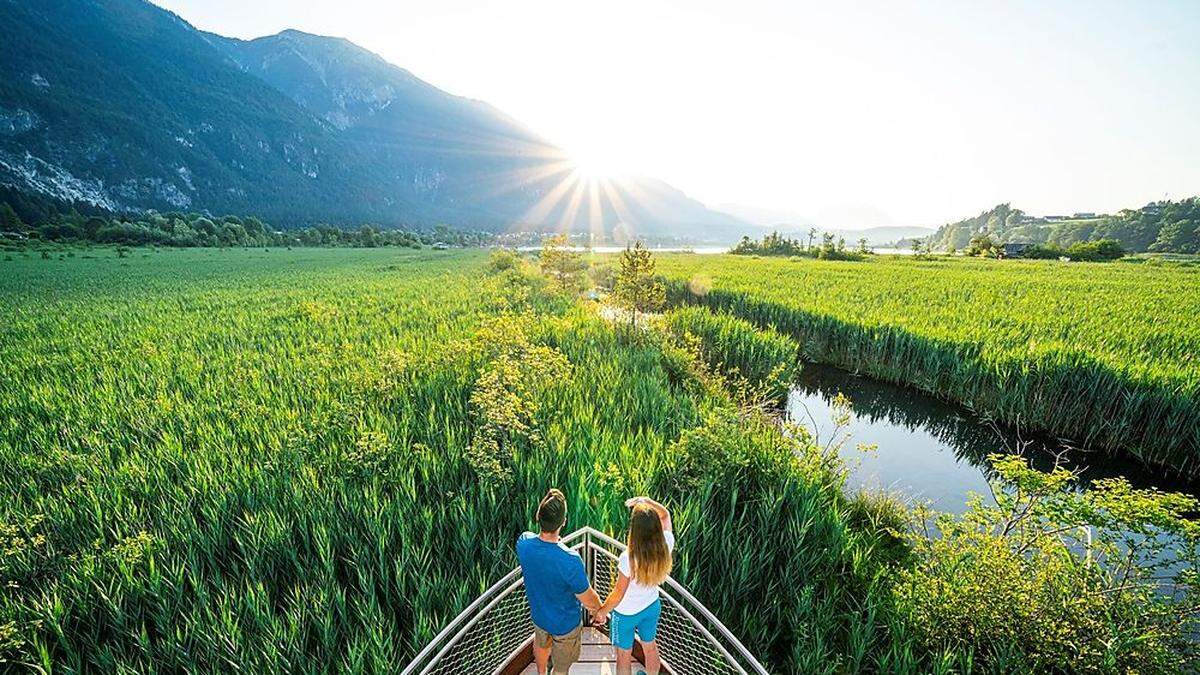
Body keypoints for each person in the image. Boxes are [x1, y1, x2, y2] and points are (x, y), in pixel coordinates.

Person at [517, 488, 603, 674]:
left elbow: (541, 552)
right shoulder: (570, 560)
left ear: (538, 516)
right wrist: (599, 612)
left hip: (539, 617)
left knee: (541, 645)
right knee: (562, 667)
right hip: (565, 626)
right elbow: (588, 598)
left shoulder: (523, 543)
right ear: (563, 522)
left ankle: (541, 672)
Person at [592, 496, 673, 675]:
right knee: (650, 647)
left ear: (634, 531)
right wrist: (647, 501)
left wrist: (602, 611)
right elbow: (666, 515)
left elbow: (619, 592)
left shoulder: (628, 558)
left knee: (623, 655)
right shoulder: (666, 544)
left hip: (625, 614)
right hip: (651, 606)